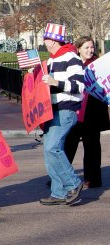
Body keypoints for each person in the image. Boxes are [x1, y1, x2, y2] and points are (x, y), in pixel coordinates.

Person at [38, 23, 84, 205]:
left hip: (66, 109)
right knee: (49, 151)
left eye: (46, 38)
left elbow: (79, 86)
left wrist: (54, 81)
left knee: (52, 148)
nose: (45, 42)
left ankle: (73, 183)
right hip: (54, 110)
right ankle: (58, 192)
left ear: (54, 40)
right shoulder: (52, 59)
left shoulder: (71, 57)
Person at [64, 36, 110, 189]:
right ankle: (62, 178)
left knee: (92, 147)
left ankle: (93, 179)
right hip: (74, 111)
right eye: (86, 48)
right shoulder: (72, 64)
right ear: (78, 49)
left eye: (92, 47)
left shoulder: (98, 64)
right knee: (68, 146)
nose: (90, 50)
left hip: (93, 112)